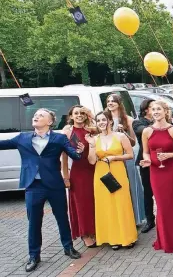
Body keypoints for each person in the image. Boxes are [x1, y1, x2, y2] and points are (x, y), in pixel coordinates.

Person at [0, 109, 84, 272]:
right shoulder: (22, 138)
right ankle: (34, 256)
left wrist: (79, 151)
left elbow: (74, 155)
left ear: (50, 122)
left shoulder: (59, 138)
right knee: (34, 222)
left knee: (61, 217)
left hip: (54, 184)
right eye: (35, 115)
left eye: (40, 115)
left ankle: (68, 247)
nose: (36, 117)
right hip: (33, 186)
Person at [139, 101, 173, 253]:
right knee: (161, 205)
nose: (155, 112)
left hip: (171, 170)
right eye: (153, 109)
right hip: (155, 171)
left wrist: (169, 155)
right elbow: (146, 151)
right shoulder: (147, 131)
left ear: (165, 111)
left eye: (158, 109)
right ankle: (164, 239)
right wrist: (146, 159)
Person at [86, 111, 138, 250]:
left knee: (122, 203)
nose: (101, 123)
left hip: (117, 171)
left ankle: (127, 237)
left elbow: (130, 155)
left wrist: (115, 158)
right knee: (106, 205)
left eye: (104, 120)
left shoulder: (120, 136)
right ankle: (112, 238)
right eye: (98, 121)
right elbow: (91, 161)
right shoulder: (95, 139)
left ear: (110, 121)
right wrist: (91, 146)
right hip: (101, 173)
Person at [106, 93, 145, 226]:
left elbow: (134, 143)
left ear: (119, 103)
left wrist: (124, 134)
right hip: (110, 158)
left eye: (113, 101)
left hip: (126, 157)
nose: (110, 103)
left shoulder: (128, 120)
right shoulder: (104, 119)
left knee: (130, 187)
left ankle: (134, 218)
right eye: (108, 101)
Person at [61, 106, 96, 247]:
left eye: (82, 113)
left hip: (94, 169)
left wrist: (90, 115)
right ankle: (85, 233)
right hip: (78, 172)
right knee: (81, 204)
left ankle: (95, 230)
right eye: (76, 113)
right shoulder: (68, 132)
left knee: (94, 202)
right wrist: (66, 177)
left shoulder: (91, 130)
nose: (79, 115)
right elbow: (63, 157)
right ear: (71, 116)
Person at [132, 99, 156, 233]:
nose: (155, 110)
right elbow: (144, 131)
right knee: (148, 192)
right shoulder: (138, 122)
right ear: (146, 109)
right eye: (153, 107)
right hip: (145, 161)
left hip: (161, 159)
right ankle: (150, 220)